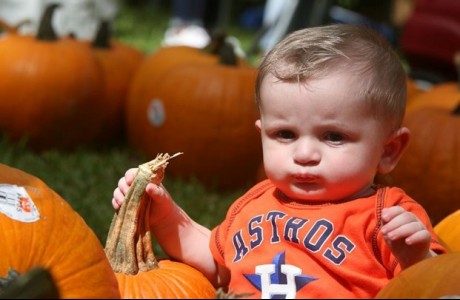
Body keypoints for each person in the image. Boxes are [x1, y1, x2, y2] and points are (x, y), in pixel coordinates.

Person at [112, 24, 446, 298]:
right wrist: (165, 215)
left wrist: (417, 257)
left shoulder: (388, 218)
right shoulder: (255, 202)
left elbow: (438, 286)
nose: (304, 154)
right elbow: (215, 261)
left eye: (334, 137)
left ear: (389, 150)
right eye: (285, 134)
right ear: (262, 132)